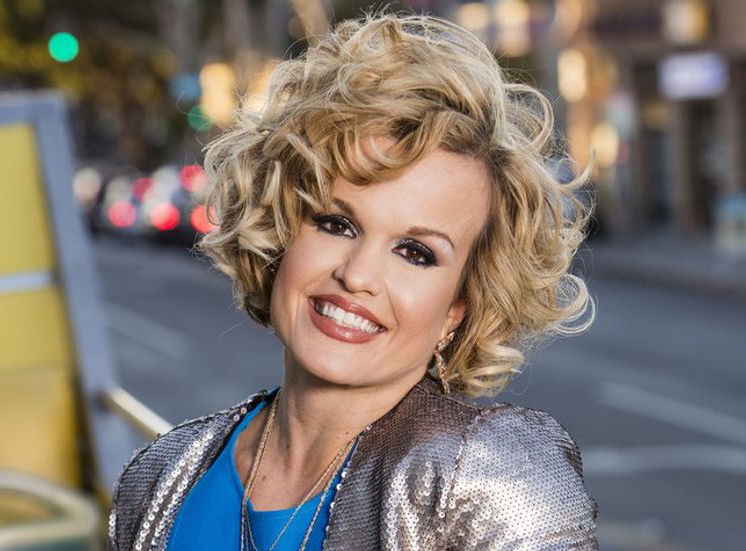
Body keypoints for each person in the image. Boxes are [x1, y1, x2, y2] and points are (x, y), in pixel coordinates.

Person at [109, 11, 597, 551]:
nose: (357, 274)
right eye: (336, 224)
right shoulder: (158, 480)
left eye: (415, 253)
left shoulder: (493, 485)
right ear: (281, 231)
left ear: (458, 308)